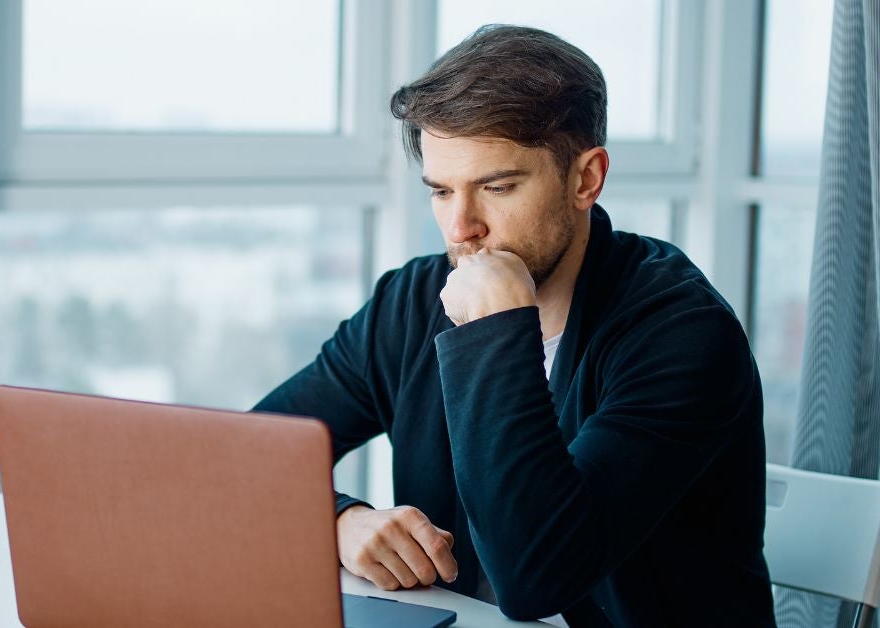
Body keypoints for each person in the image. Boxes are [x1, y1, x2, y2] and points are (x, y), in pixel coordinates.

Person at [253, 24, 775, 627]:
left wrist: (498, 333)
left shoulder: (684, 333)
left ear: (586, 179)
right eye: (441, 191)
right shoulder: (411, 302)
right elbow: (247, 458)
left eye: (496, 187)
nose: (460, 227)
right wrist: (341, 521)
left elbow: (537, 577)